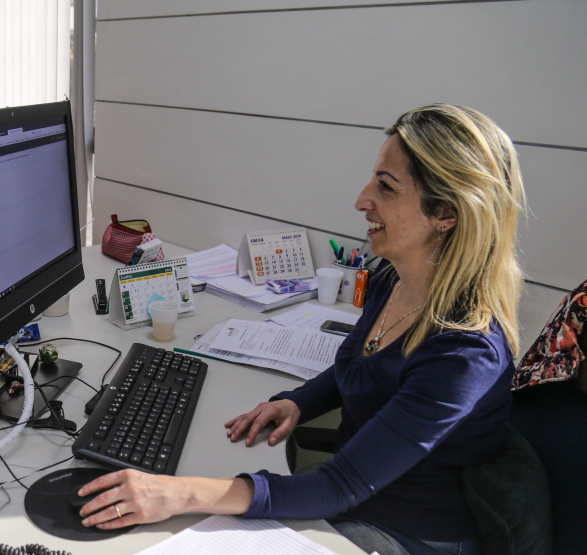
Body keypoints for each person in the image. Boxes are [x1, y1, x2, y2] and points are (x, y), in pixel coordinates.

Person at [77, 104, 526, 555]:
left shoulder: (465, 352)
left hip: (402, 532)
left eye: (386, 187)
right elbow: (363, 365)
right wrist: (299, 401)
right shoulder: (392, 280)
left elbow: (340, 484)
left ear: (445, 213)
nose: (362, 199)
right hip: (354, 497)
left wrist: (177, 493)